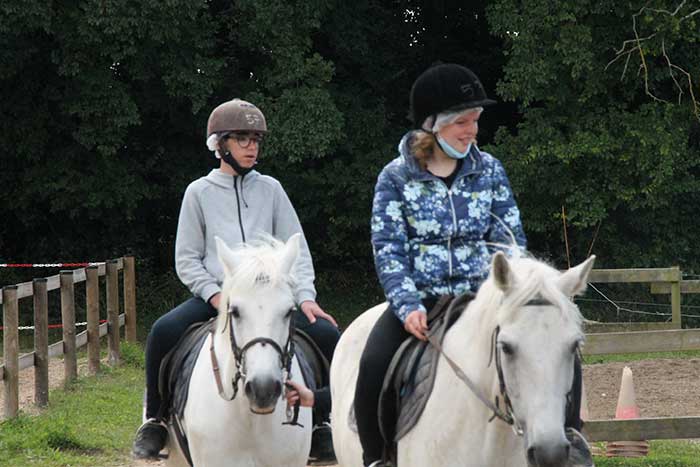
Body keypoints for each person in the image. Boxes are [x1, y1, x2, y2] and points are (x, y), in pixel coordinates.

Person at [354, 63, 592, 467]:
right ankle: (378, 457)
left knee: (560, 345)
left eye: (475, 121)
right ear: (433, 125)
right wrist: (407, 304)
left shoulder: (490, 170)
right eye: (462, 122)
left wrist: (514, 287)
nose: (472, 131)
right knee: (372, 363)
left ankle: (569, 438)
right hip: (421, 301)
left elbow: (510, 240)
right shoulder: (395, 178)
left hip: (487, 297)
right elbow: (388, 247)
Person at [132, 98, 340, 462]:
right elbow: (187, 259)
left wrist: (305, 297)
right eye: (242, 139)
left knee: (326, 334)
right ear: (220, 144)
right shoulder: (198, 193)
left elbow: (299, 251)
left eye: (256, 140)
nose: (251, 147)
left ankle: (322, 421)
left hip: (270, 297)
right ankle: (156, 419)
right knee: (163, 332)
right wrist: (214, 295)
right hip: (219, 295)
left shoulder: (272, 190)